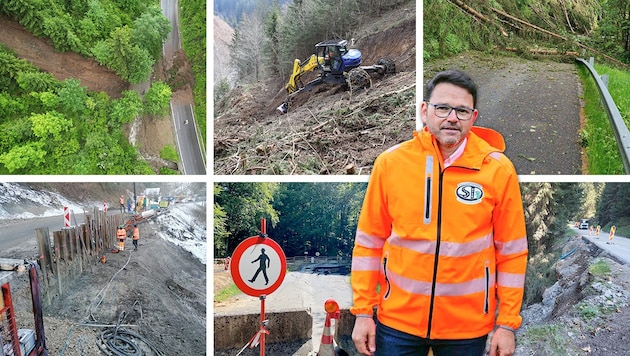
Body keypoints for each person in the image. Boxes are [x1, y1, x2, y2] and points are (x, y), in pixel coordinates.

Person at [350, 70, 528, 356]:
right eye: (442, 107)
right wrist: (362, 312)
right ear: (424, 111)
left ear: (474, 116)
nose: (452, 117)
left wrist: (506, 324)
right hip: (397, 325)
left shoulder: (497, 170)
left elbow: (512, 252)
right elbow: (369, 243)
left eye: (462, 110)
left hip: (467, 329)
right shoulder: (391, 164)